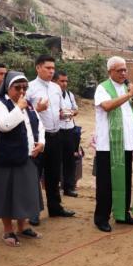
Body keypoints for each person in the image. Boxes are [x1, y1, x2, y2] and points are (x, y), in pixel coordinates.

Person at [0, 71, 44, 247]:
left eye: (24, 88)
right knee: (7, 194)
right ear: (7, 87)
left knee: (24, 194)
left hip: (26, 157)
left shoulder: (28, 104)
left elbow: (38, 124)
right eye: (17, 87)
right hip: (6, 158)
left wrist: (41, 142)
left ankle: (23, 226)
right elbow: (4, 125)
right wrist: (18, 107)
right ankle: (8, 230)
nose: (21, 91)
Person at [93, 56, 133, 232]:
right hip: (108, 146)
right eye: (119, 70)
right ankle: (101, 218)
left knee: (125, 180)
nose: (123, 73)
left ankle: (123, 214)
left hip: (127, 144)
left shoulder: (127, 88)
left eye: (125, 70)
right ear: (110, 72)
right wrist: (129, 94)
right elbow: (107, 106)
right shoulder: (103, 88)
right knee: (106, 184)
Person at [26, 55, 75, 225]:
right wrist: (37, 109)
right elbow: (24, 112)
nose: (51, 71)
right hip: (39, 137)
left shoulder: (55, 88)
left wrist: (64, 114)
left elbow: (60, 109)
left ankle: (55, 207)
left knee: (54, 174)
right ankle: (33, 211)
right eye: (47, 68)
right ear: (38, 68)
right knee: (35, 174)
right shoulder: (30, 88)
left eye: (53, 68)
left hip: (56, 135)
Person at [53, 70, 79, 198]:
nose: (64, 84)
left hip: (69, 129)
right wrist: (60, 114)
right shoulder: (52, 94)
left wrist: (72, 113)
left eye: (66, 81)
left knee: (70, 159)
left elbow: (76, 109)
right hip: (57, 130)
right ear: (55, 81)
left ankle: (69, 187)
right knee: (56, 160)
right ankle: (56, 187)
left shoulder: (69, 94)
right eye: (61, 81)